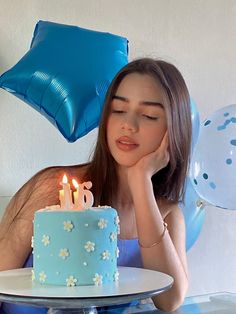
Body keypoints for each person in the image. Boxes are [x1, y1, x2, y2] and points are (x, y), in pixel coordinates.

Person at [0, 58, 191, 313]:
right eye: (118, 110)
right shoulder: (53, 189)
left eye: (148, 115)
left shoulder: (167, 214)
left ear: (173, 129)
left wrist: (141, 181)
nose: (128, 125)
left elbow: (170, 300)